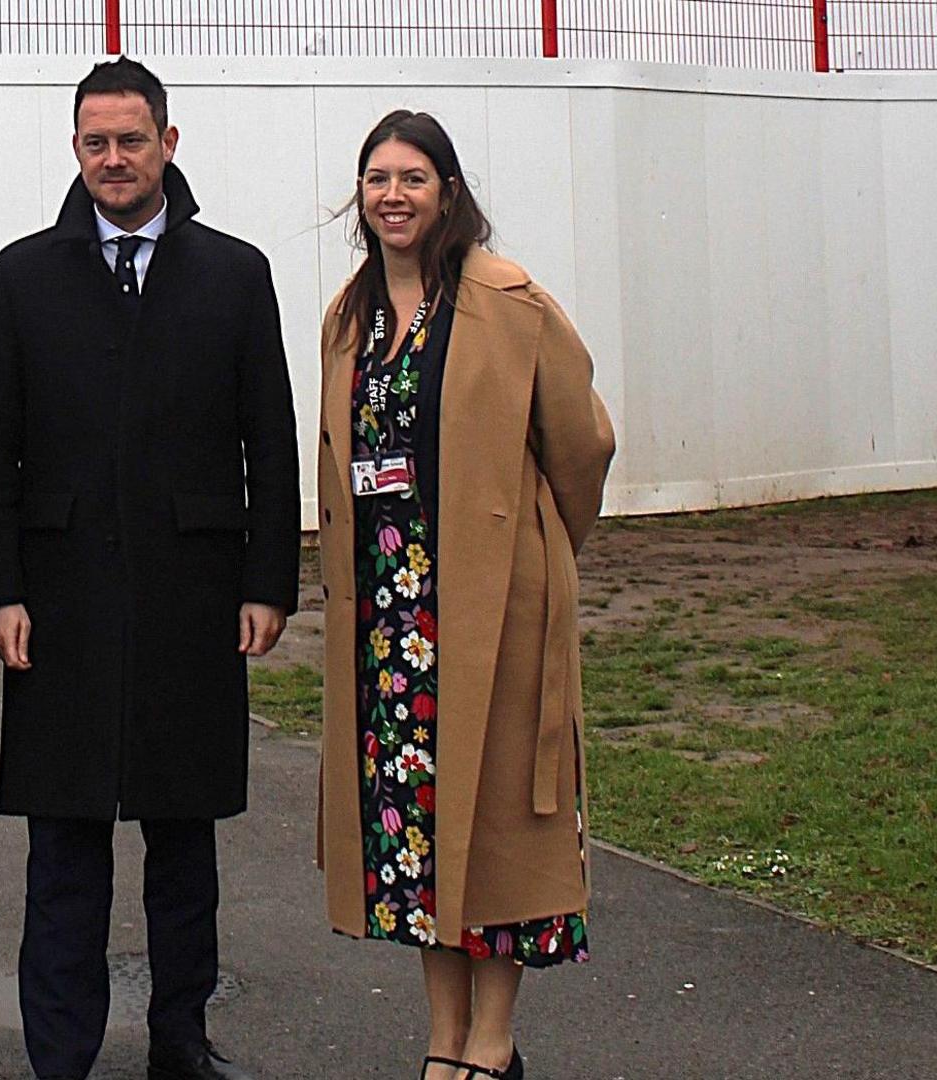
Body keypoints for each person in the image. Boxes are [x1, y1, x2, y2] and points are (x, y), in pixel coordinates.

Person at [0, 57, 300, 1080]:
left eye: (132, 139)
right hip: (59, 602)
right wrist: (2, 588)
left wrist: (267, 581)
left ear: (169, 141)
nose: (114, 159)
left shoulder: (234, 273)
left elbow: (272, 440)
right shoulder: (24, 274)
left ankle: (182, 1039)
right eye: (95, 142)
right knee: (63, 845)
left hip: (192, 597)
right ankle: (59, 1053)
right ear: (76, 150)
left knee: (184, 841)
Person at [314, 110, 616, 1080]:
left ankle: (493, 1045)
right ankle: (444, 1042)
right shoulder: (350, 315)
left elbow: (586, 443)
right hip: (390, 621)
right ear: (359, 197)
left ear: (449, 190)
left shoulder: (507, 301)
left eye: (412, 177)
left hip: (491, 608)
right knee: (418, 828)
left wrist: (536, 547)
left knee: (493, 830)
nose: (393, 195)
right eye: (376, 178)